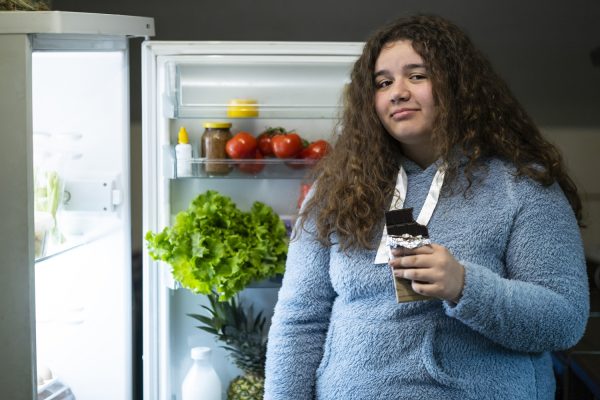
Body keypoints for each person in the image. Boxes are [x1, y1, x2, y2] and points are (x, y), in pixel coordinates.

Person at [264, 14, 589, 400]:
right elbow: (300, 320)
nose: (397, 92)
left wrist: (464, 286)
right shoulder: (335, 191)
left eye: (417, 76)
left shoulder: (522, 185)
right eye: (383, 83)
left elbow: (564, 320)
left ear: (458, 86)